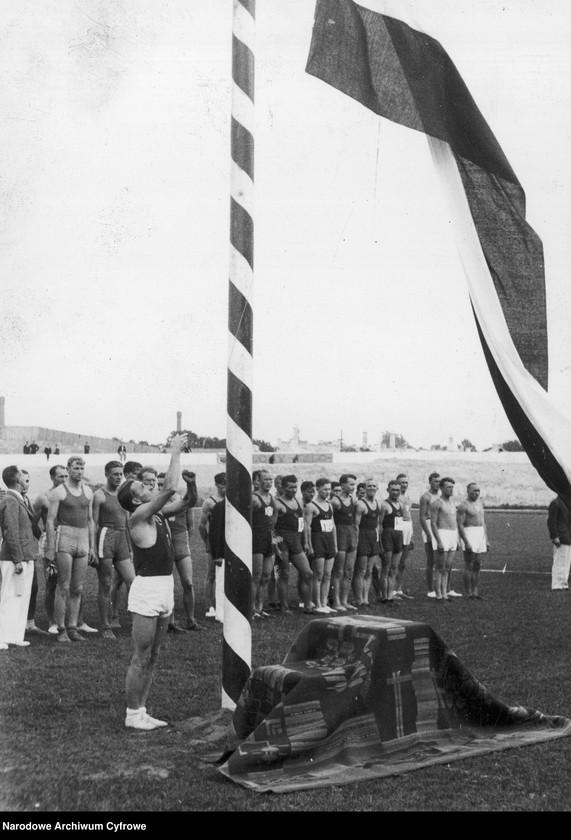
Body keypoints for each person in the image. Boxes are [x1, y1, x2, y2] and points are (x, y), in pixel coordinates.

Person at [118, 432, 188, 730]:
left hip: (164, 586)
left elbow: (186, 501)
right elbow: (171, 488)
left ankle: (142, 710)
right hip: (146, 589)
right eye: (142, 486)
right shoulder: (138, 517)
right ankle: (132, 714)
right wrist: (174, 451)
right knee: (141, 655)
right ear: (135, 498)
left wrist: (193, 484)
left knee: (154, 655)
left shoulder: (156, 516)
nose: (148, 486)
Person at [45, 456, 96, 642]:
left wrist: (92, 547)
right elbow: (50, 521)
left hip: (83, 539)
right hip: (65, 538)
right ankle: (61, 629)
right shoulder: (59, 492)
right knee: (63, 586)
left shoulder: (88, 492)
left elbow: (91, 520)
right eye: (76, 468)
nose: (80, 471)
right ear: (69, 469)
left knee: (78, 587)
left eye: (82, 468)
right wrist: (51, 547)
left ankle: (73, 627)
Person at [92, 461, 135, 639]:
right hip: (105, 538)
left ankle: (137, 621)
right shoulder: (99, 495)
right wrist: (92, 549)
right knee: (106, 584)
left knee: (133, 582)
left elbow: (127, 522)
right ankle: (106, 626)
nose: (118, 477)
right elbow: (93, 523)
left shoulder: (124, 494)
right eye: (115, 474)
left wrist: (131, 548)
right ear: (107, 474)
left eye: (120, 474)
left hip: (121, 539)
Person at [157, 469, 201, 631]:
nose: (162, 487)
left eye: (165, 484)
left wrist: (185, 544)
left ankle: (191, 619)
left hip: (181, 545)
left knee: (188, 583)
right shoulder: (156, 503)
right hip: (164, 547)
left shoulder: (183, 501)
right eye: (159, 485)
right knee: (168, 585)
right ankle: (171, 621)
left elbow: (190, 526)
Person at [0, 465, 38, 648]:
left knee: (21, 596)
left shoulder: (18, 499)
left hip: (25, 555)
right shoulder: (10, 500)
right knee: (9, 596)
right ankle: (2, 636)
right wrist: (17, 559)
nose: (25, 479)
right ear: (17, 480)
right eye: (22, 477)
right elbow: (11, 530)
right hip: (15, 557)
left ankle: (14, 635)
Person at [32, 464, 68, 634]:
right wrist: (43, 538)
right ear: (52, 477)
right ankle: (52, 621)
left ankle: (77, 621)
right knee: (52, 581)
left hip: (69, 539)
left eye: (66, 476)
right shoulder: (43, 497)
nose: (64, 480)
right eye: (61, 476)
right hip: (50, 540)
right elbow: (33, 521)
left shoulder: (70, 494)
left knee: (72, 581)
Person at [274, 474, 314, 614]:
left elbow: (301, 524)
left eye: (295, 487)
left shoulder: (298, 502)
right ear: (283, 488)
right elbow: (271, 527)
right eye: (291, 487)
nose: (294, 490)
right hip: (282, 542)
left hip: (296, 542)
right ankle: (284, 606)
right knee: (284, 574)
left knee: (308, 573)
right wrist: (276, 546)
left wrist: (306, 543)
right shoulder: (277, 503)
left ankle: (308, 605)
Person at [109, 460, 142, 628]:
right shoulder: (122, 492)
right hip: (119, 541)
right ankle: (114, 616)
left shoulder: (136, 493)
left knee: (132, 581)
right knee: (117, 581)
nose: (138, 478)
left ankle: (132, 614)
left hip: (132, 542)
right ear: (128, 474)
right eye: (136, 474)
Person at [19, 469, 48, 636]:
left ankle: (29, 623)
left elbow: (32, 524)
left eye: (28, 481)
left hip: (28, 549)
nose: (26, 484)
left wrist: (42, 535)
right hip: (14, 550)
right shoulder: (9, 499)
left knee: (33, 586)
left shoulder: (26, 499)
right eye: (23, 481)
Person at [304, 477, 337, 614]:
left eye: (329, 489)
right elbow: (307, 527)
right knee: (318, 574)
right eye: (325, 489)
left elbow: (333, 526)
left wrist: (335, 544)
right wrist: (309, 545)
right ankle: (317, 604)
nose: (327, 492)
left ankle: (324, 603)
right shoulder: (311, 506)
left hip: (329, 540)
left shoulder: (329, 505)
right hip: (318, 541)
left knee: (328, 574)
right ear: (317, 489)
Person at [198, 473, 227, 620]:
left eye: (227, 484)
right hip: (213, 541)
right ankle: (209, 605)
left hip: (228, 541)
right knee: (211, 574)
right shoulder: (210, 502)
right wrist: (207, 542)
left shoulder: (232, 501)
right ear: (216, 484)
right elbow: (201, 525)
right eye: (222, 484)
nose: (225, 488)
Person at [330, 473, 359, 612]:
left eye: (354, 484)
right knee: (338, 571)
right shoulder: (335, 502)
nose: (354, 487)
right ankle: (335, 601)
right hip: (340, 535)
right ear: (342, 485)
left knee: (349, 570)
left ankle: (344, 600)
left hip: (351, 535)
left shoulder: (353, 499)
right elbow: (330, 520)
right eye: (351, 484)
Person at [251, 469, 277, 619]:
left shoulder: (272, 498)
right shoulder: (254, 499)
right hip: (257, 540)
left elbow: (273, 519)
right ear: (258, 481)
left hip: (269, 540)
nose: (268, 482)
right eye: (265, 479)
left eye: (270, 480)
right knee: (256, 575)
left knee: (267, 575)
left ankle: (260, 607)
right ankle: (252, 608)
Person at [457, 482, 489, 599]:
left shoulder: (480, 504)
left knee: (477, 564)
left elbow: (483, 522)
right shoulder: (464, 506)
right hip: (469, 533)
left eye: (478, 491)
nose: (476, 493)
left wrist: (486, 539)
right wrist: (466, 542)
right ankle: (469, 592)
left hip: (480, 534)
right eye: (474, 490)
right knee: (469, 564)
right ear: (468, 491)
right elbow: (460, 525)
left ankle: (476, 592)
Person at [430, 477, 459, 602]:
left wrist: (457, 539)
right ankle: (438, 595)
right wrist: (439, 541)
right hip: (442, 534)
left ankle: (445, 594)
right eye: (448, 487)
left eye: (452, 487)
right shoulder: (437, 503)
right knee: (439, 567)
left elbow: (454, 522)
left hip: (452, 535)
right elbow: (433, 523)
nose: (451, 489)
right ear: (442, 488)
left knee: (447, 567)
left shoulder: (452, 502)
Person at [353, 478, 381, 607]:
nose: (371, 488)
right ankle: (359, 599)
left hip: (373, 538)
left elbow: (377, 525)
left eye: (374, 486)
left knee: (369, 570)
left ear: (377, 488)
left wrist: (377, 540)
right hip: (363, 537)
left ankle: (366, 599)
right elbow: (356, 525)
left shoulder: (378, 504)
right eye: (369, 486)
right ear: (365, 488)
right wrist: (357, 542)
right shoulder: (360, 504)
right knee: (361, 570)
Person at [378, 480, 405, 606]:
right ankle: (384, 596)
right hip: (387, 536)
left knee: (394, 568)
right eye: (393, 489)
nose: (395, 492)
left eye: (397, 490)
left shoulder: (400, 504)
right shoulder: (384, 505)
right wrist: (380, 544)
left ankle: (390, 594)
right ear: (388, 490)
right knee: (386, 568)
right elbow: (379, 525)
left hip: (398, 536)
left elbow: (401, 523)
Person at [419, 472, 441, 598]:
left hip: (439, 526)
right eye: (435, 481)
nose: (437, 483)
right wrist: (427, 533)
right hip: (429, 526)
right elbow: (422, 517)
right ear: (430, 482)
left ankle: (446, 588)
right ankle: (430, 589)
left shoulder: (440, 496)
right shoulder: (425, 497)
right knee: (431, 560)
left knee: (442, 559)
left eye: (439, 481)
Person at [394, 473, 414, 600]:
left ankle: (399, 589)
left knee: (403, 563)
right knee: (395, 561)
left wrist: (411, 535)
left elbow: (409, 515)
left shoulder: (408, 497)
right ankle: (391, 590)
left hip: (408, 527)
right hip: (399, 527)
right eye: (402, 482)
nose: (404, 485)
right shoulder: (396, 497)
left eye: (406, 482)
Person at [546, 494, 571, 591]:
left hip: (567, 536)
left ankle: (563, 583)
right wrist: (554, 536)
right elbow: (551, 522)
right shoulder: (556, 503)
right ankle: (557, 584)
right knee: (559, 561)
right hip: (561, 536)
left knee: (566, 562)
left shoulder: (566, 503)